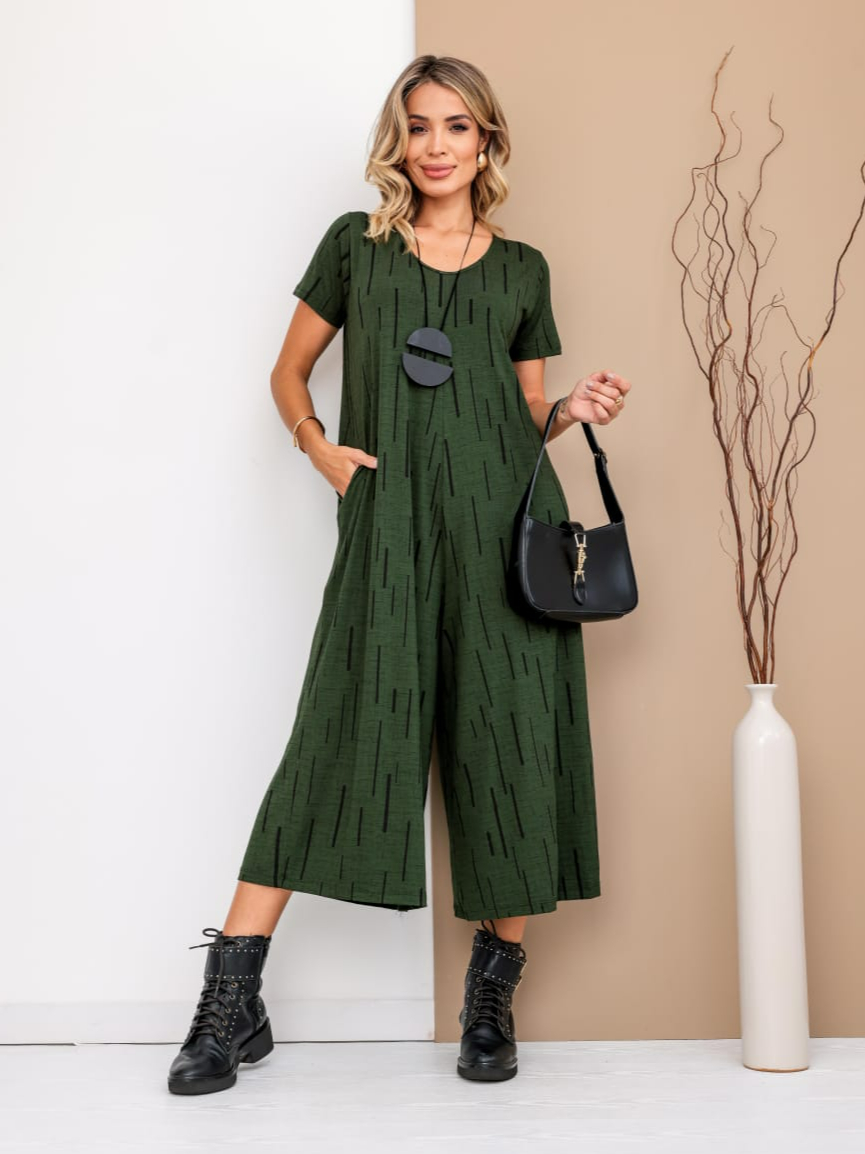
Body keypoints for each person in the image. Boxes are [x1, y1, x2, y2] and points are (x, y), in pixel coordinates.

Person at [167, 53, 631, 1097]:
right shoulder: (356, 246)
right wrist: (319, 449)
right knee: (337, 733)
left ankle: (489, 1003)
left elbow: (523, 415)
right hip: (388, 530)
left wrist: (570, 412)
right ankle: (231, 1002)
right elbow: (288, 370)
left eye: (456, 127)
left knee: (509, 744)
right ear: (398, 140)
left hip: (506, 533)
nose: (435, 146)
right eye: (418, 126)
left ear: (486, 141)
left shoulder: (523, 270)